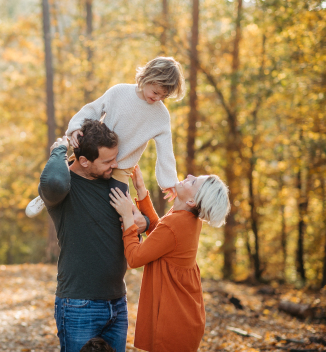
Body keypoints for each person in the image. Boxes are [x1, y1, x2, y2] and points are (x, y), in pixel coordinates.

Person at [26, 56, 185, 218]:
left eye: (163, 96)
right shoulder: (119, 92)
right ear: (146, 78)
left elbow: (166, 151)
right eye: (155, 92)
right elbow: (91, 110)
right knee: (67, 177)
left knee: (121, 208)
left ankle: (131, 239)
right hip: (96, 153)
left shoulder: (161, 116)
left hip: (122, 166)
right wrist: (75, 129)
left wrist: (170, 182)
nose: (157, 98)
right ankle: (45, 197)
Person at [109, 164, 230, 352]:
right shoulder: (187, 219)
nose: (189, 175)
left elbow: (134, 258)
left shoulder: (176, 223)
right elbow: (160, 235)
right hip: (184, 315)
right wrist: (141, 190)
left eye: (193, 181)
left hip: (173, 321)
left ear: (191, 201)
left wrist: (127, 218)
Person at [39, 119, 128, 352]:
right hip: (79, 304)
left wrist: (143, 221)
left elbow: (137, 221)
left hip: (118, 302)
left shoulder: (110, 182)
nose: (115, 164)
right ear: (84, 162)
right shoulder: (64, 188)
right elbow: (52, 181)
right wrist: (60, 149)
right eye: (108, 161)